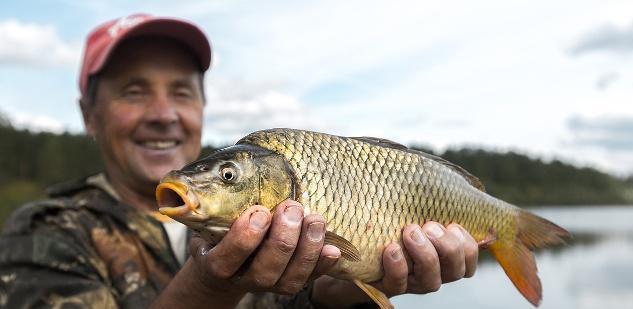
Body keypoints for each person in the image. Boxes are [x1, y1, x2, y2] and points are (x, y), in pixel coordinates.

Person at [0, 14, 479, 308]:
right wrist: (212, 286)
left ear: (202, 108)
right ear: (89, 114)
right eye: (134, 91)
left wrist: (349, 288)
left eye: (182, 92)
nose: (164, 115)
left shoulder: (240, 218)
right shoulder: (44, 235)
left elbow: (304, 301)